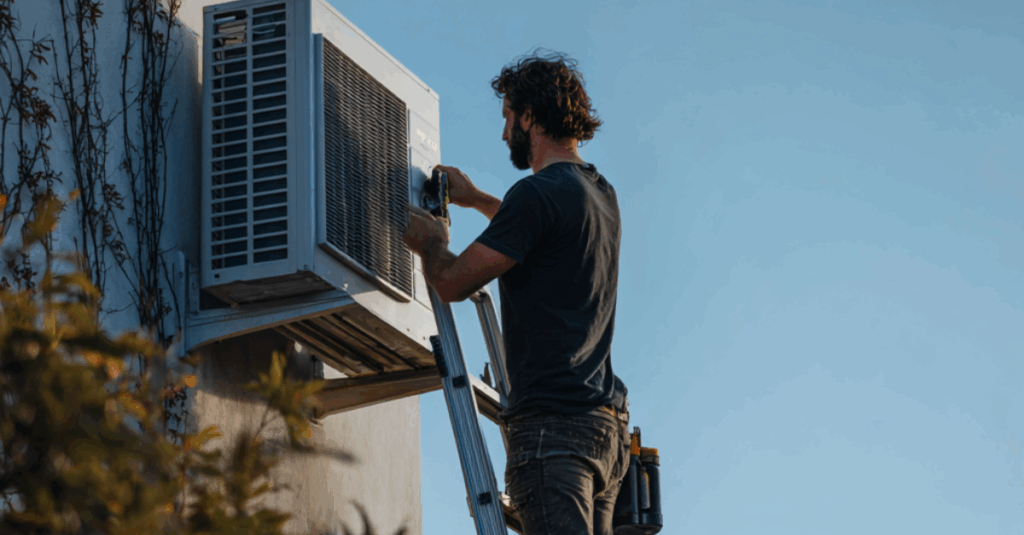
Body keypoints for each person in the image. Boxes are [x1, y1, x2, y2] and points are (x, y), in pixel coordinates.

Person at [403, 49, 630, 535]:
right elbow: (542, 232)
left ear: (530, 117)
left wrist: (431, 244)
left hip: (554, 431)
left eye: (508, 117)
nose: (505, 132)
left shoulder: (536, 196)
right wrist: (480, 200)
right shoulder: (598, 191)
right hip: (604, 429)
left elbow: (451, 284)